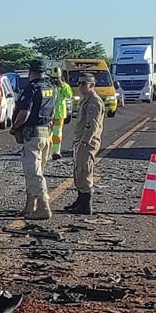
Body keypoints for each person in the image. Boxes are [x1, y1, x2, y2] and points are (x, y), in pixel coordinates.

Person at [11, 61, 55, 219]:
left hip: (32, 136)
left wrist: (15, 127)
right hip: (45, 134)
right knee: (36, 171)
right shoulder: (50, 88)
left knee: (33, 172)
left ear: (31, 72)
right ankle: (30, 206)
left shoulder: (32, 88)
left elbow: (24, 113)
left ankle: (43, 207)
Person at [63, 73, 107, 214]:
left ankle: (86, 203)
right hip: (81, 140)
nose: (80, 86)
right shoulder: (86, 100)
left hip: (87, 142)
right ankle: (80, 199)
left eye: (83, 84)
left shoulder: (94, 102)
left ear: (92, 85)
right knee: (78, 171)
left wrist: (84, 141)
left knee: (85, 169)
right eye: (79, 83)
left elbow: (92, 125)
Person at [48, 71, 74, 158]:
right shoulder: (47, 86)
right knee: (47, 134)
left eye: (57, 78)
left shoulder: (64, 86)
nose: (55, 80)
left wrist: (62, 85)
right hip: (48, 114)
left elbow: (69, 95)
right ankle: (47, 151)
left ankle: (56, 152)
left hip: (59, 114)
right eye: (53, 78)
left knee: (57, 133)